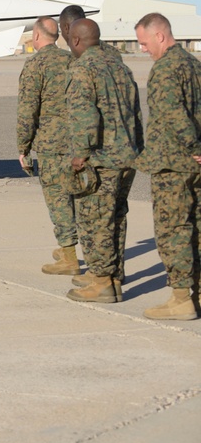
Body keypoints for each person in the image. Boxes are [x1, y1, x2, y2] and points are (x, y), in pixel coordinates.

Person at [65, 19, 142, 303]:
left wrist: (80, 155)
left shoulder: (83, 70)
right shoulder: (121, 68)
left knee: (96, 220)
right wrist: (137, 149)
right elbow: (136, 115)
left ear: (75, 41)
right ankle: (113, 277)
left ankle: (100, 282)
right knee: (116, 218)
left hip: (100, 160)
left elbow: (86, 117)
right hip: (127, 157)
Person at [133, 13, 201, 320]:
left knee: (172, 229)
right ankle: (197, 294)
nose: (143, 49)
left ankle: (180, 299)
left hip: (172, 165)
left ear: (160, 36)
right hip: (193, 166)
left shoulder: (165, 69)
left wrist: (194, 146)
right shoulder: (194, 65)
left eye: (144, 42)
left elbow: (174, 115)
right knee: (196, 227)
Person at [17, 17, 79, 274]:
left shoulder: (35, 65)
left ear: (37, 36)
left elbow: (27, 110)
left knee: (58, 200)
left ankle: (69, 257)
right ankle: (69, 249)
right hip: (77, 142)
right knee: (76, 198)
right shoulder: (72, 61)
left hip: (52, 145)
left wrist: (23, 147)